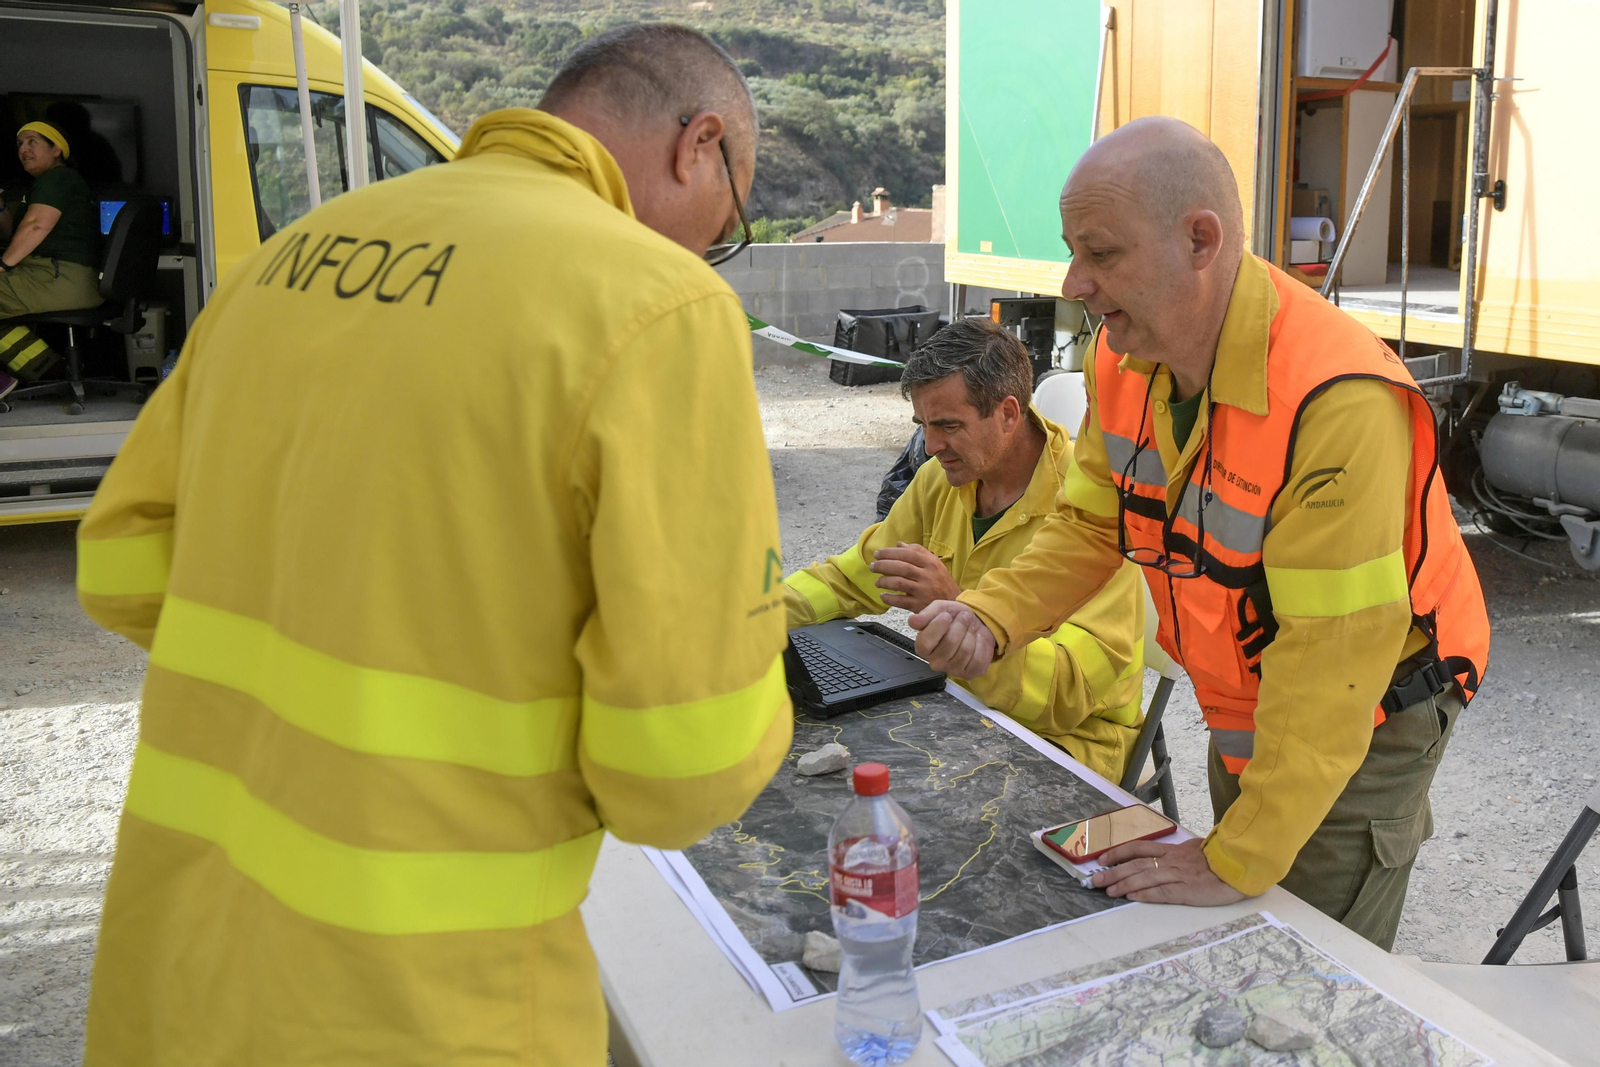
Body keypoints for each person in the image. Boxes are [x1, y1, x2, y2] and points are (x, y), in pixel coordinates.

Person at [76, 23, 787, 1066]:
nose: (705, 246)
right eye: (726, 218)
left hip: (185, 962)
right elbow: (678, 771)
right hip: (428, 1001)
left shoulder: (290, 257)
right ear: (701, 145)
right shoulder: (656, 301)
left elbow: (124, 563)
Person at [910, 117, 1489, 950]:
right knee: (1235, 922)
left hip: (1367, 717)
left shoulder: (1338, 401)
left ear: (1200, 240)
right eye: (1074, 252)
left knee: (1302, 959)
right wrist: (991, 613)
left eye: (1101, 254)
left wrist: (1239, 856)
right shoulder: (1123, 357)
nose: (1076, 281)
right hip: (1249, 703)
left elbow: (1331, 666)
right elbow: (1092, 520)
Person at [784, 317, 1147, 780]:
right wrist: (755, 620)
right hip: (963, 708)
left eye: (948, 426)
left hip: (1070, 746)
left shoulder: (1092, 507)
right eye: (923, 426)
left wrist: (961, 616)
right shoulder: (944, 480)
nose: (931, 446)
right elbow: (849, 577)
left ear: (1009, 414)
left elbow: (1068, 693)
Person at [0, 121, 102, 399]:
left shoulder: (59, 178)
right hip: (67, 282)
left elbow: (36, 227)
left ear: (56, 149)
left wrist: (3, 266)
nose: (24, 149)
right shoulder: (45, 186)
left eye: (32, 141)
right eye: (20, 144)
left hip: (58, 279)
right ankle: (48, 370)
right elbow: (17, 233)